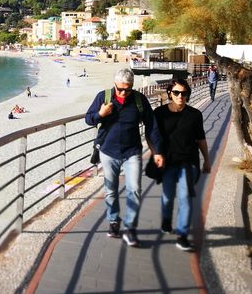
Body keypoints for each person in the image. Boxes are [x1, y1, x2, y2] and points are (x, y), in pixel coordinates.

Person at [85, 68, 164, 247]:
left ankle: (130, 228)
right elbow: (88, 119)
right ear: (114, 85)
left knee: (135, 189)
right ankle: (113, 221)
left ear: (132, 86)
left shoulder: (138, 100)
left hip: (132, 152)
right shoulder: (103, 97)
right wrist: (101, 114)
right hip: (108, 152)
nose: (123, 93)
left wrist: (157, 151)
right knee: (111, 189)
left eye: (127, 89)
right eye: (120, 89)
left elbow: (151, 126)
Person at [154, 78, 211, 251]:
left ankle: (182, 235)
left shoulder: (195, 115)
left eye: (184, 93)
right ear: (169, 93)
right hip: (168, 161)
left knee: (185, 196)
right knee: (168, 195)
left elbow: (201, 139)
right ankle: (166, 220)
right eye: (177, 92)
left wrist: (207, 160)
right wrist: (156, 153)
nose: (180, 96)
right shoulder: (159, 113)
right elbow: (153, 136)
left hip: (189, 161)